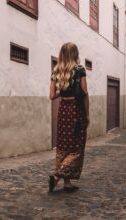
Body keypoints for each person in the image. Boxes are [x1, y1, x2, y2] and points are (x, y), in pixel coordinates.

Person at [48, 42, 90, 193]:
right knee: (77, 147)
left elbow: (52, 96)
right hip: (76, 110)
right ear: (75, 54)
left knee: (63, 147)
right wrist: (87, 114)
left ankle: (67, 184)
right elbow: (84, 93)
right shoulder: (79, 70)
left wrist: (63, 92)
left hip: (63, 111)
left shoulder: (56, 71)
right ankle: (58, 176)